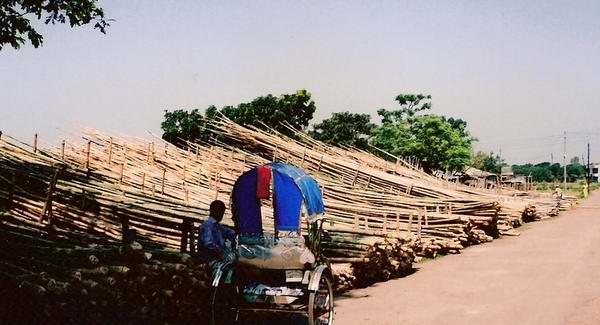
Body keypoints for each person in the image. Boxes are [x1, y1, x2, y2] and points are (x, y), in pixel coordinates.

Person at [197, 200, 236, 266]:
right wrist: (220, 251)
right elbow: (208, 243)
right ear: (213, 211)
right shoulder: (207, 225)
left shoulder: (218, 226)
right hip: (207, 260)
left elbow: (231, 232)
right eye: (220, 212)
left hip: (216, 259)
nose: (221, 215)